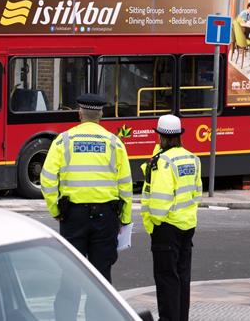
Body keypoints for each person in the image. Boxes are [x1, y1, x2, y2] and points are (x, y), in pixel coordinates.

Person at [40, 93, 133, 283]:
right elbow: (125, 185)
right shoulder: (115, 143)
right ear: (101, 116)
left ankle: (66, 313)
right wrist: (125, 218)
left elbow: (47, 179)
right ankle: (99, 313)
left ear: (80, 114)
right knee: (102, 278)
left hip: (73, 217)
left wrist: (55, 210)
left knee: (71, 275)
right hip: (106, 218)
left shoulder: (63, 141)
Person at [141, 115, 202, 321]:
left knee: (166, 278)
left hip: (166, 227)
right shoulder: (192, 158)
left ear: (161, 136)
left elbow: (159, 201)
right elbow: (197, 193)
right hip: (187, 225)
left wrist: (154, 223)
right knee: (182, 277)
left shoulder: (163, 162)